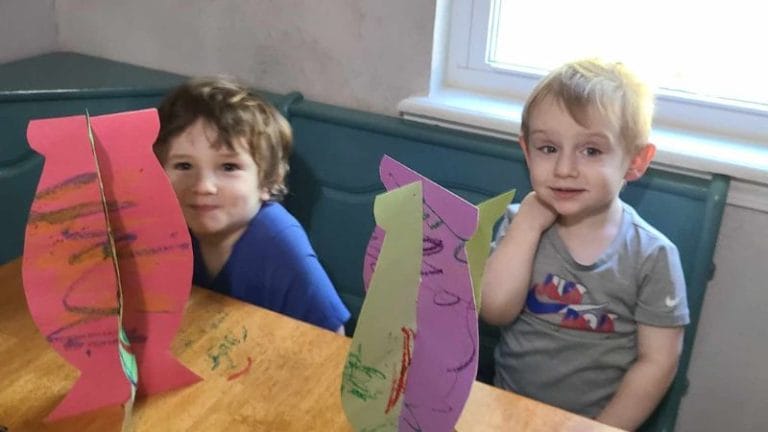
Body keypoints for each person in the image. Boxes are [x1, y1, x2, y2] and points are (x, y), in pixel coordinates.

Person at [480, 59, 688, 430]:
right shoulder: (519, 224)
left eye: (591, 151)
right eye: (548, 148)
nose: (564, 169)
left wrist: (603, 429)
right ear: (526, 152)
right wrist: (527, 225)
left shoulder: (652, 256)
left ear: (636, 161)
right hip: (506, 413)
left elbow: (658, 363)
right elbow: (494, 310)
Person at [153, 76, 350, 334]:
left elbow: (332, 340)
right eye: (184, 165)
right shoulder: (167, 223)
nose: (202, 186)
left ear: (267, 182)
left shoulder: (279, 243)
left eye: (228, 167)